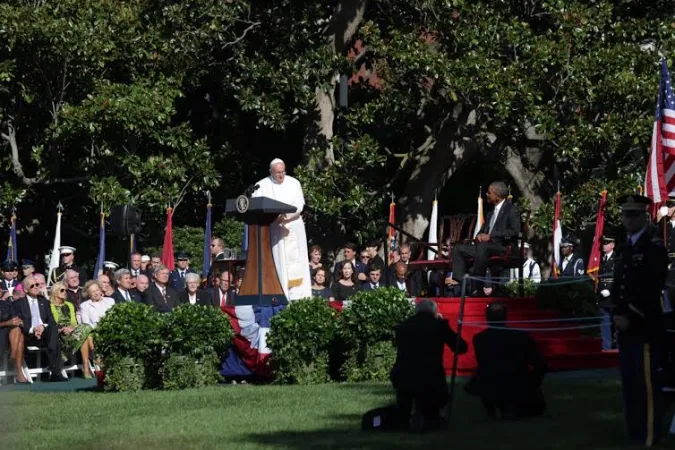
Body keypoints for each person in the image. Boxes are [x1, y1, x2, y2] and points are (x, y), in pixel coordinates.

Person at [611, 194, 668, 447]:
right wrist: (615, 312)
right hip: (625, 325)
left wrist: (629, 314)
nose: (629, 220)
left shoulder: (653, 248)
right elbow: (617, 285)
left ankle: (648, 434)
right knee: (630, 383)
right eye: (626, 215)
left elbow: (651, 286)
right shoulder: (624, 249)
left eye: (634, 215)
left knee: (646, 384)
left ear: (644, 217)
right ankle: (633, 431)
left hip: (644, 324)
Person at [391, 299, 467, 431]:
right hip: (430, 377)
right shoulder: (438, 325)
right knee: (431, 389)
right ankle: (428, 417)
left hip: (403, 375)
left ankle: (406, 418)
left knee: (408, 391)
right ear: (434, 312)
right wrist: (440, 323)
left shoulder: (403, 327)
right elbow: (461, 347)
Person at [465, 302, 547, 419]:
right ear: (505, 317)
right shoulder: (520, 336)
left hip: (496, 386)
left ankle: (495, 406)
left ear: (487, 318)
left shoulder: (480, 339)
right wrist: (532, 384)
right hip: (518, 386)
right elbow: (540, 364)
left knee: (483, 373)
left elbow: (483, 364)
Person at [252, 158, 312, 300]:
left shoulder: (294, 182)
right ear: (270, 172)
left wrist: (288, 216)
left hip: (294, 226)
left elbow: (299, 203)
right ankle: (281, 295)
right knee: (279, 261)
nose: (281, 175)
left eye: (283, 171)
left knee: (298, 262)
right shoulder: (261, 185)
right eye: (278, 172)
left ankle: (300, 296)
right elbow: (257, 207)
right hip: (275, 228)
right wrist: (275, 217)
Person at [451, 182, 520, 295]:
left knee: (483, 248)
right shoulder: (490, 212)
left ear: (497, 196)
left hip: (503, 247)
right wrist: (479, 235)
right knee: (458, 249)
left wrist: (491, 236)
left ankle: (477, 287)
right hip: (485, 248)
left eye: (489, 193)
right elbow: (483, 230)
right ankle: (462, 283)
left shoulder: (511, 209)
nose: (486, 194)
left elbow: (514, 231)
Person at [13, 276, 67, 381]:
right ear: (25, 289)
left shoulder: (45, 302)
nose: (36, 287)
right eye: (32, 286)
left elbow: (51, 321)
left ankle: (55, 371)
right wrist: (33, 329)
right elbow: (18, 323)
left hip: (45, 334)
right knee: (53, 336)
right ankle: (55, 370)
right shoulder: (18, 304)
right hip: (28, 336)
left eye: (37, 284)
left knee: (53, 329)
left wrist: (42, 327)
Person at [49, 282, 94, 378]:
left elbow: (73, 322)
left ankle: (86, 366)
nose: (65, 292)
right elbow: (54, 322)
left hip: (72, 331)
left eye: (65, 290)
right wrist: (63, 329)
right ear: (55, 292)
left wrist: (72, 328)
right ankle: (93, 357)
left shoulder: (69, 305)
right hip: (60, 334)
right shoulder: (50, 306)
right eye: (62, 290)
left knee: (86, 328)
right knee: (86, 332)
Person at [0, 296, 30, 383]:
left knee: (17, 329)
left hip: (8, 334)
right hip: (3, 331)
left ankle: (13, 355)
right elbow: (8, 322)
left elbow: (15, 317)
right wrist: (7, 323)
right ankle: (19, 374)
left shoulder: (6, 304)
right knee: (19, 338)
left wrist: (18, 321)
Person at [597, 234, 616, 351]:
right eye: (603, 243)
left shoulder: (617, 258)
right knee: (604, 322)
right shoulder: (601, 259)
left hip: (613, 296)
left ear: (613, 245)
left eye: (607, 243)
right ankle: (606, 347)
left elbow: (618, 277)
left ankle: (619, 347)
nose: (604, 245)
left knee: (616, 322)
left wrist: (610, 290)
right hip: (602, 296)